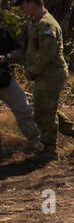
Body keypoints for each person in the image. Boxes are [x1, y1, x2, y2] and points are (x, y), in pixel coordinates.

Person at [11, 0, 74, 158]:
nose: (22, 9)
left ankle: (50, 150)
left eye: (22, 5)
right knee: (46, 109)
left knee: (43, 111)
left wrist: (32, 71)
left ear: (31, 3)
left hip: (51, 72)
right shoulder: (37, 22)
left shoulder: (46, 24)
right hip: (45, 73)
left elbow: (47, 52)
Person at [0, 20, 44, 157]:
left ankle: (37, 145)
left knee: (23, 108)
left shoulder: (2, 31)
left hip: (4, 78)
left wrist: (6, 57)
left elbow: (18, 51)